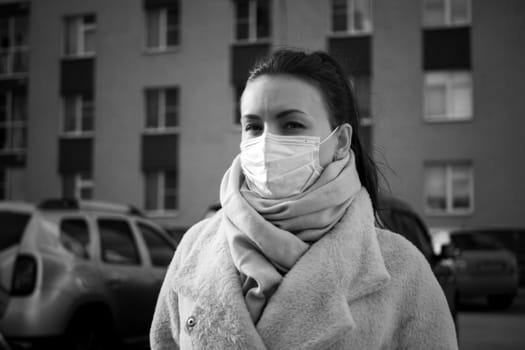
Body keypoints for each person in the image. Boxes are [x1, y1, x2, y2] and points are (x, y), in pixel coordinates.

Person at [150, 49, 458, 350]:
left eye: (292, 125)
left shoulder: (402, 269)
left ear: (339, 142)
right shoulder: (195, 248)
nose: (267, 142)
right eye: (253, 126)